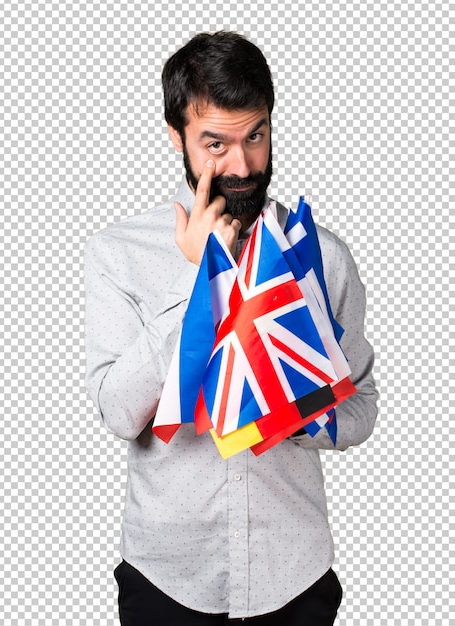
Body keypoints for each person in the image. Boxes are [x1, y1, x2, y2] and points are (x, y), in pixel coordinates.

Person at [84, 31, 378, 626]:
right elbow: (119, 413)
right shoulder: (120, 253)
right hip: (168, 577)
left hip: (293, 576)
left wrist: (291, 410)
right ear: (177, 137)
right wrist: (200, 281)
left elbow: (361, 409)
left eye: (255, 137)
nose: (241, 166)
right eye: (215, 143)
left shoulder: (321, 258)